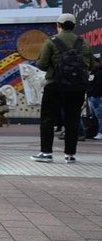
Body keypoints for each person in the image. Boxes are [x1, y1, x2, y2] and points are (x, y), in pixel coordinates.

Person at [31, 13, 94, 163]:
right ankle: (70, 155)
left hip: (54, 85)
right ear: (75, 26)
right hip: (77, 88)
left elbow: (41, 64)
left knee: (48, 119)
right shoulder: (83, 42)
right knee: (72, 120)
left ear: (58, 26)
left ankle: (46, 153)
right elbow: (91, 65)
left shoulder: (51, 42)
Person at [88, 55, 102, 140]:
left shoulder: (99, 72)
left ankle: (100, 132)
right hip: (92, 96)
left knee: (100, 116)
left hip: (97, 96)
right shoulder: (93, 71)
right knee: (94, 116)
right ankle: (95, 131)